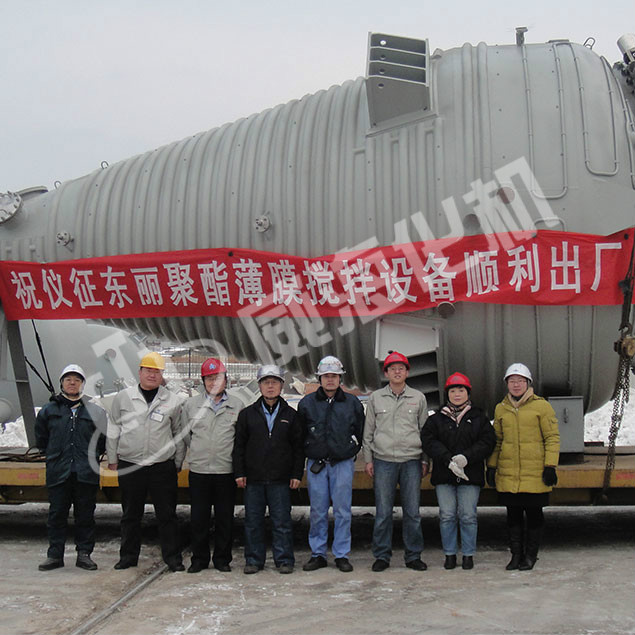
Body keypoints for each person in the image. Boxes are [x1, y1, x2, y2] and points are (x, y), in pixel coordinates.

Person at [107, 352, 185, 572]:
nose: (152, 375)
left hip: (162, 466)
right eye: (148, 370)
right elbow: (113, 428)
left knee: (167, 515)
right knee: (131, 515)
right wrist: (112, 458)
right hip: (131, 464)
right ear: (140, 372)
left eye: (157, 372)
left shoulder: (172, 400)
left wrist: (178, 461)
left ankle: (173, 558)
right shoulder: (123, 398)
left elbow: (178, 433)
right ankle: (128, 557)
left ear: (162, 375)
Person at [486, 363, 560, 571]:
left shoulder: (542, 407)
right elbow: (498, 441)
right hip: (510, 473)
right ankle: (516, 555)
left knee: (534, 515)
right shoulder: (501, 408)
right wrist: (492, 466)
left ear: (528, 383)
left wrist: (550, 466)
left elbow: (552, 438)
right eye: (512, 381)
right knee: (513, 516)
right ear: (507, 384)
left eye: (520, 381)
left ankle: (530, 555)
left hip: (534, 472)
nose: (516, 385)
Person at [35, 364, 107, 571]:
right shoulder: (48, 411)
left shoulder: (96, 412)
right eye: (68, 379)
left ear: (83, 384)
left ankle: (84, 554)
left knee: (85, 516)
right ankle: (54, 555)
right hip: (59, 472)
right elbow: (41, 439)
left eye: (77, 380)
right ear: (62, 383)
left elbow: (102, 440)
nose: (72, 383)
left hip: (85, 472)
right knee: (56, 515)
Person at [233, 365, 304, 574]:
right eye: (266, 382)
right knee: (253, 522)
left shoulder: (291, 415)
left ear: (281, 385)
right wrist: (239, 472)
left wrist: (296, 474)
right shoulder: (247, 415)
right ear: (260, 386)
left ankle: (284, 560)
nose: (270, 386)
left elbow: (298, 448)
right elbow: (239, 446)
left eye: (274, 382)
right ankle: (254, 560)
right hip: (253, 479)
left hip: (280, 479)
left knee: (281, 522)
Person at [421, 372, 496, 570]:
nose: (457, 394)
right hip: (444, 475)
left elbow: (488, 441)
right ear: (447, 394)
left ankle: (468, 554)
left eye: (461, 390)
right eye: (453, 391)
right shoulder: (436, 419)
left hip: (470, 475)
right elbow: (428, 441)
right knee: (447, 515)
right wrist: (447, 459)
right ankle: (450, 554)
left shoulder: (478, 418)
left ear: (468, 393)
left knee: (468, 515)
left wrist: (467, 457)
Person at [363, 351, 429, 572]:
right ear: (386, 373)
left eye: (401, 368)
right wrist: (369, 459)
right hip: (383, 461)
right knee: (383, 513)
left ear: (407, 372)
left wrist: (425, 460)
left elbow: (425, 431)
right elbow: (368, 432)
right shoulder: (376, 398)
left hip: (411, 461)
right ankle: (382, 555)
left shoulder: (418, 398)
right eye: (393, 369)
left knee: (412, 513)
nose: (397, 372)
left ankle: (413, 556)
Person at [297, 356, 364, 573]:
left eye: (334, 376)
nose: (330, 380)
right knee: (318, 511)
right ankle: (318, 554)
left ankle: (341, 554)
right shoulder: (307, 404)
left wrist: (350, 450)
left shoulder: (352, 403)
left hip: (342, 464)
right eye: (326, 376)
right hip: (317, 464)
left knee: (343, 511)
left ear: (340, 378)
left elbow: (360, 431)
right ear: (319, 378)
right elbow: (300, 434)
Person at [178, 358, 243, 573]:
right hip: (200, 471)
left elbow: (240, 440)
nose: (214, 382)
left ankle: (222, 559)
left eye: (218, 378)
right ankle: (199, 559)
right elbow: (186, 436)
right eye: (209, 378)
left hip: (225, 471)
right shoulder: (191, 406)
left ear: (226, 380)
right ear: (203, 381)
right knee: (199, 519)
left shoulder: (237, 405)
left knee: (225, 519)